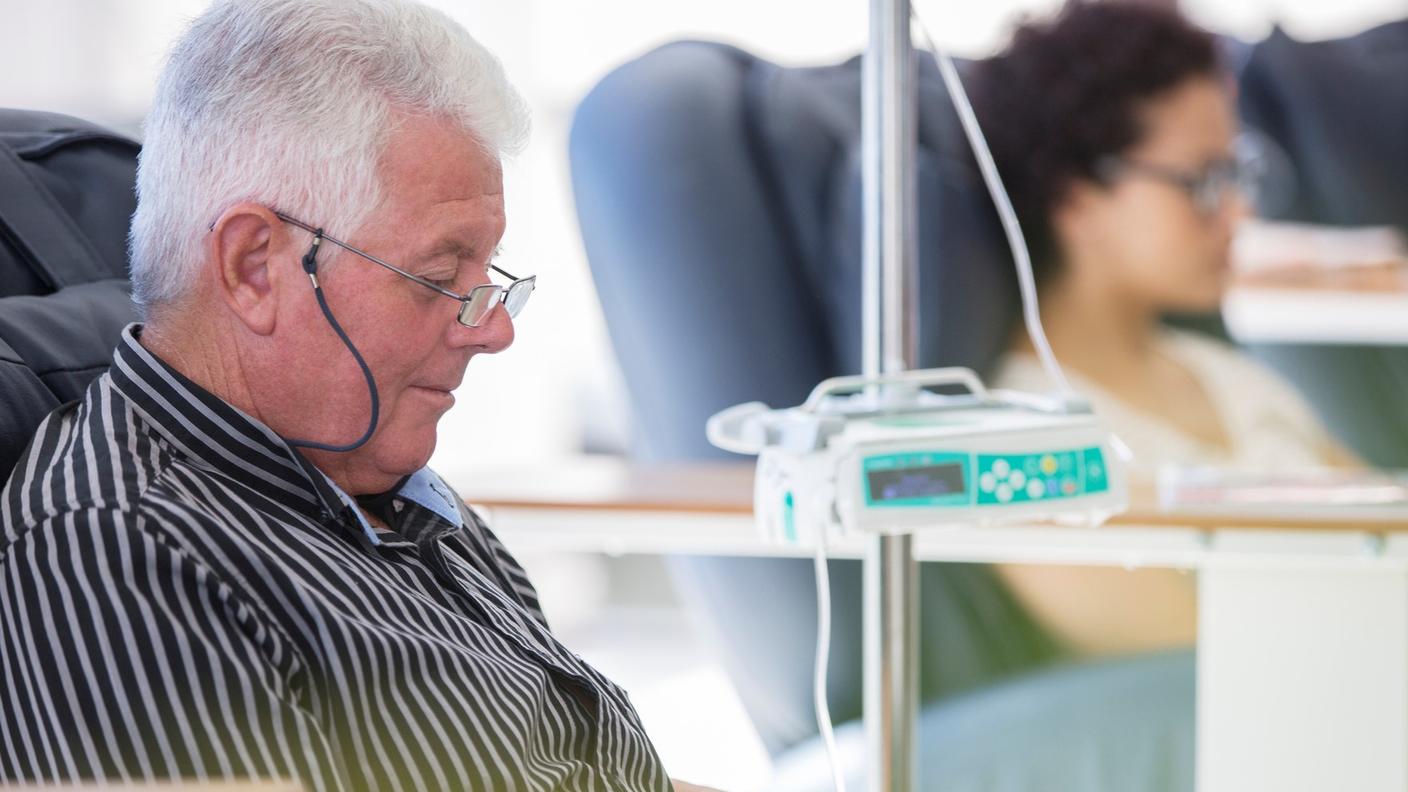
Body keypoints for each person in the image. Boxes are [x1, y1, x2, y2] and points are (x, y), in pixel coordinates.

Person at [0, 1, 718, 790]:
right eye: (440, 280)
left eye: (487, 280)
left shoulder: (386, 489)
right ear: (254, 267)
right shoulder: (131, 555)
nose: (492, 332)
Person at [971, 0, 1357, 657]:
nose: (1237, 211)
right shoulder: (1017, 445)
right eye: (1203, 179)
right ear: (1076, 199)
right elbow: (1200, 661)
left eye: (1237, 174)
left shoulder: (1227, 377)